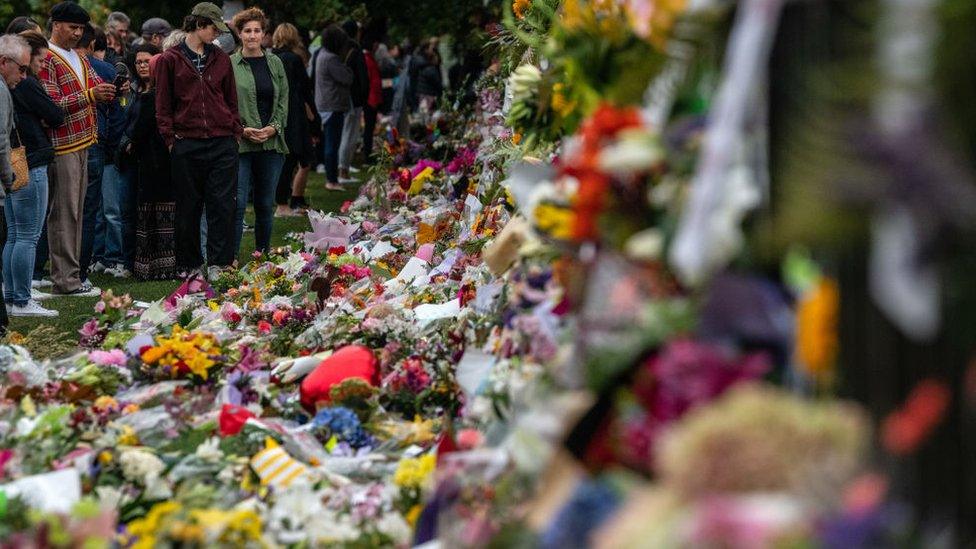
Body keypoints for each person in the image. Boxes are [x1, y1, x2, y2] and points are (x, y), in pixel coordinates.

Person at [155, 2, 242, 275]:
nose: (217, 34)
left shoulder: (221, 58)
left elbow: (231, 99)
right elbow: (163, 104)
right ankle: (190, 265)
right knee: (188, 207)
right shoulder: (170, 59)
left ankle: (219, 262)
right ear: (198, 24)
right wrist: (170, 139)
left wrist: (235, 131)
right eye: (213, 28)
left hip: (222, 140)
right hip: (186, 142)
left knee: (222, 205)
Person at [38, 2, 115, 297]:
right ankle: (65, 281)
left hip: (85, 140)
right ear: (56, 24)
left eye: (81, 28)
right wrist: (90, 95)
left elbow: (97, 85)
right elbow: (51, 105)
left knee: (78, 213)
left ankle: (73, 276)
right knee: (64, 214)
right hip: (63, 145)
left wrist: (111, 89)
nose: (77, 33)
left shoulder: (76, 56)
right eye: (73, 27)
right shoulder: (47, 57)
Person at [230, 7, 289, 256]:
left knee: (265, 204)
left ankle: (261, 255)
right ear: (240, 34)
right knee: (238, 204)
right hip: (241, 144)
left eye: (257, 31)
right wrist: (242, 130)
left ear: (264, 34)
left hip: (270, 144)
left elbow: (284, 98)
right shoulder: (230, 64)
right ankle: (228, 260)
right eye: (247, 31)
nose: (252, 35)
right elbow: (224, 103)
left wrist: (273, 128)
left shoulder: (275, 62)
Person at [76, 24, 128, 281]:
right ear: (95, 45)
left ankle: (79, 262)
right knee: (93, 207)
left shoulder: (95, 69)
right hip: (98, 141)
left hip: (74, 142)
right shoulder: (106, 70)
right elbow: (118, 115)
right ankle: (87, 264)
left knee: (75, 208)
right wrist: (110, 143)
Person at [119, 45, 175, 280]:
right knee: (128, 211)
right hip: (132, 159)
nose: (143, 65)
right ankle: (131, 261)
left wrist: (133, 140)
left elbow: (142, 125)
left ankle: (154, 264)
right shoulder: (130, 91)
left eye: (147, 61)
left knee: (156, 210)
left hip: (157, 159)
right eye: (139, 61)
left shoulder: (162, 91)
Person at [1, 33, 44, 319]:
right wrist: (8, 180)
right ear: (4, 62)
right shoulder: (3, 91)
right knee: (27, 234)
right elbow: (1, 140)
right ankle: (21, 298)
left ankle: (12, 296)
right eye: (22, 68)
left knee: (15, 235)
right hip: (19, 166)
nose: (25, 75)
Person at [272, 22, 315, 215]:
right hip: (293, 113)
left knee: (289, 158)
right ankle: (283, 202)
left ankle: (292, 200)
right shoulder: (293, 59)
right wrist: (312, 112)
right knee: (292, 158)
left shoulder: (270, 57)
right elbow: (305, 89)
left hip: (277, 112)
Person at [315, 25, 353, 191]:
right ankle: (332, 180)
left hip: (326, 104)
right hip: (332, 105)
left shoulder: (321, 54)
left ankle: (332, 177)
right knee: (332, 144)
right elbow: (347, 78)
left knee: (330, 143)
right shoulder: (331, 58)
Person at [337, 19, 368, 183]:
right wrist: (364, 96)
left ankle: (343, 169)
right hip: (354, 98)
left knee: (345, 133)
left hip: (342, 96)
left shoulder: (339, 48)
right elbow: (362, 76)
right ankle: (343, 171)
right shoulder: (355, 49)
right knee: (350, 134)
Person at [361, 28, 383, 163]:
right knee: (369, 129)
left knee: (370, 128)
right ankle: (367, 155)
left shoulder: (369, 58)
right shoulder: (367, 59)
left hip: (373, 97)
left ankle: (368, 154)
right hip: (371, 98)